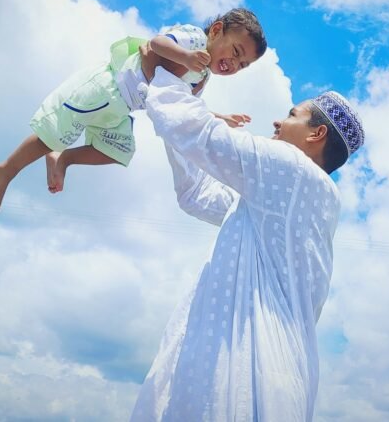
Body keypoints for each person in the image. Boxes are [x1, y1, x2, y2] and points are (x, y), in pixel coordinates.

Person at [130, 61, 364, 421]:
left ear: (316, 134)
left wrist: (167, 75)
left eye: (292, 115)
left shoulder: (291, 169)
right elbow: (196, 194)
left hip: (246, 366)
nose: (277, 122)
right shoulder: (287, 198)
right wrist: (179, 110)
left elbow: (200, 134)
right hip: (267, 369)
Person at [0, 8, 267, 215]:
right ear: (216, 31)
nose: (234, 64)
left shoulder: (202, 76)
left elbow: (184, 105)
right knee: (51, 136)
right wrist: (186, 56)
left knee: (117, 152)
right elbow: (157, 43)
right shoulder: (194, 41)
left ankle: (64, 159)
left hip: (121, 110)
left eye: (242, 65)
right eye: (236, 52)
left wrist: (218, 117)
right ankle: (4, 172)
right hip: (107, 88)